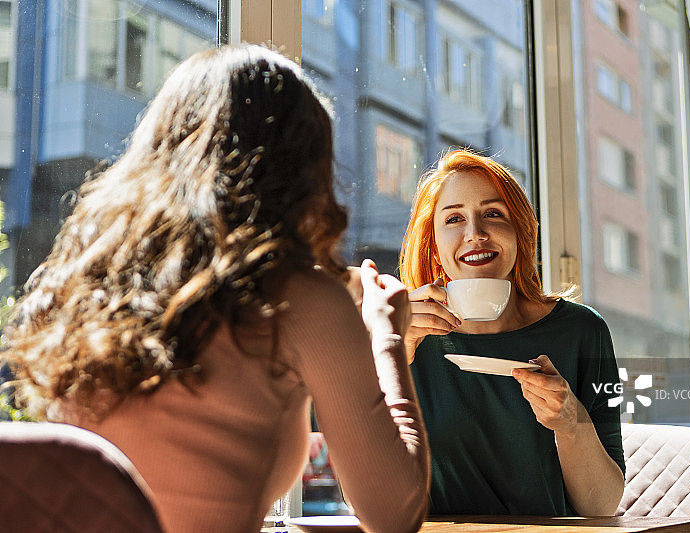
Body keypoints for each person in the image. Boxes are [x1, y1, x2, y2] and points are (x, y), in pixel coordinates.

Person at [1, 44, 429, 533]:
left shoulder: (93, 283)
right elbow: (394, 516)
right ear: (300, 169)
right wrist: (385, 333)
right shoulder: (299, 298)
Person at [398, 149, 624, 517]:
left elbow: (602, 505)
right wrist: (393, 358)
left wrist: (570, 423)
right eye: (454, 219)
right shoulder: (401, 338)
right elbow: (365, 499)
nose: (475, 234)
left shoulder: (583, 331)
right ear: (434, 249)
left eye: (493, 214)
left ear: (519, 232)